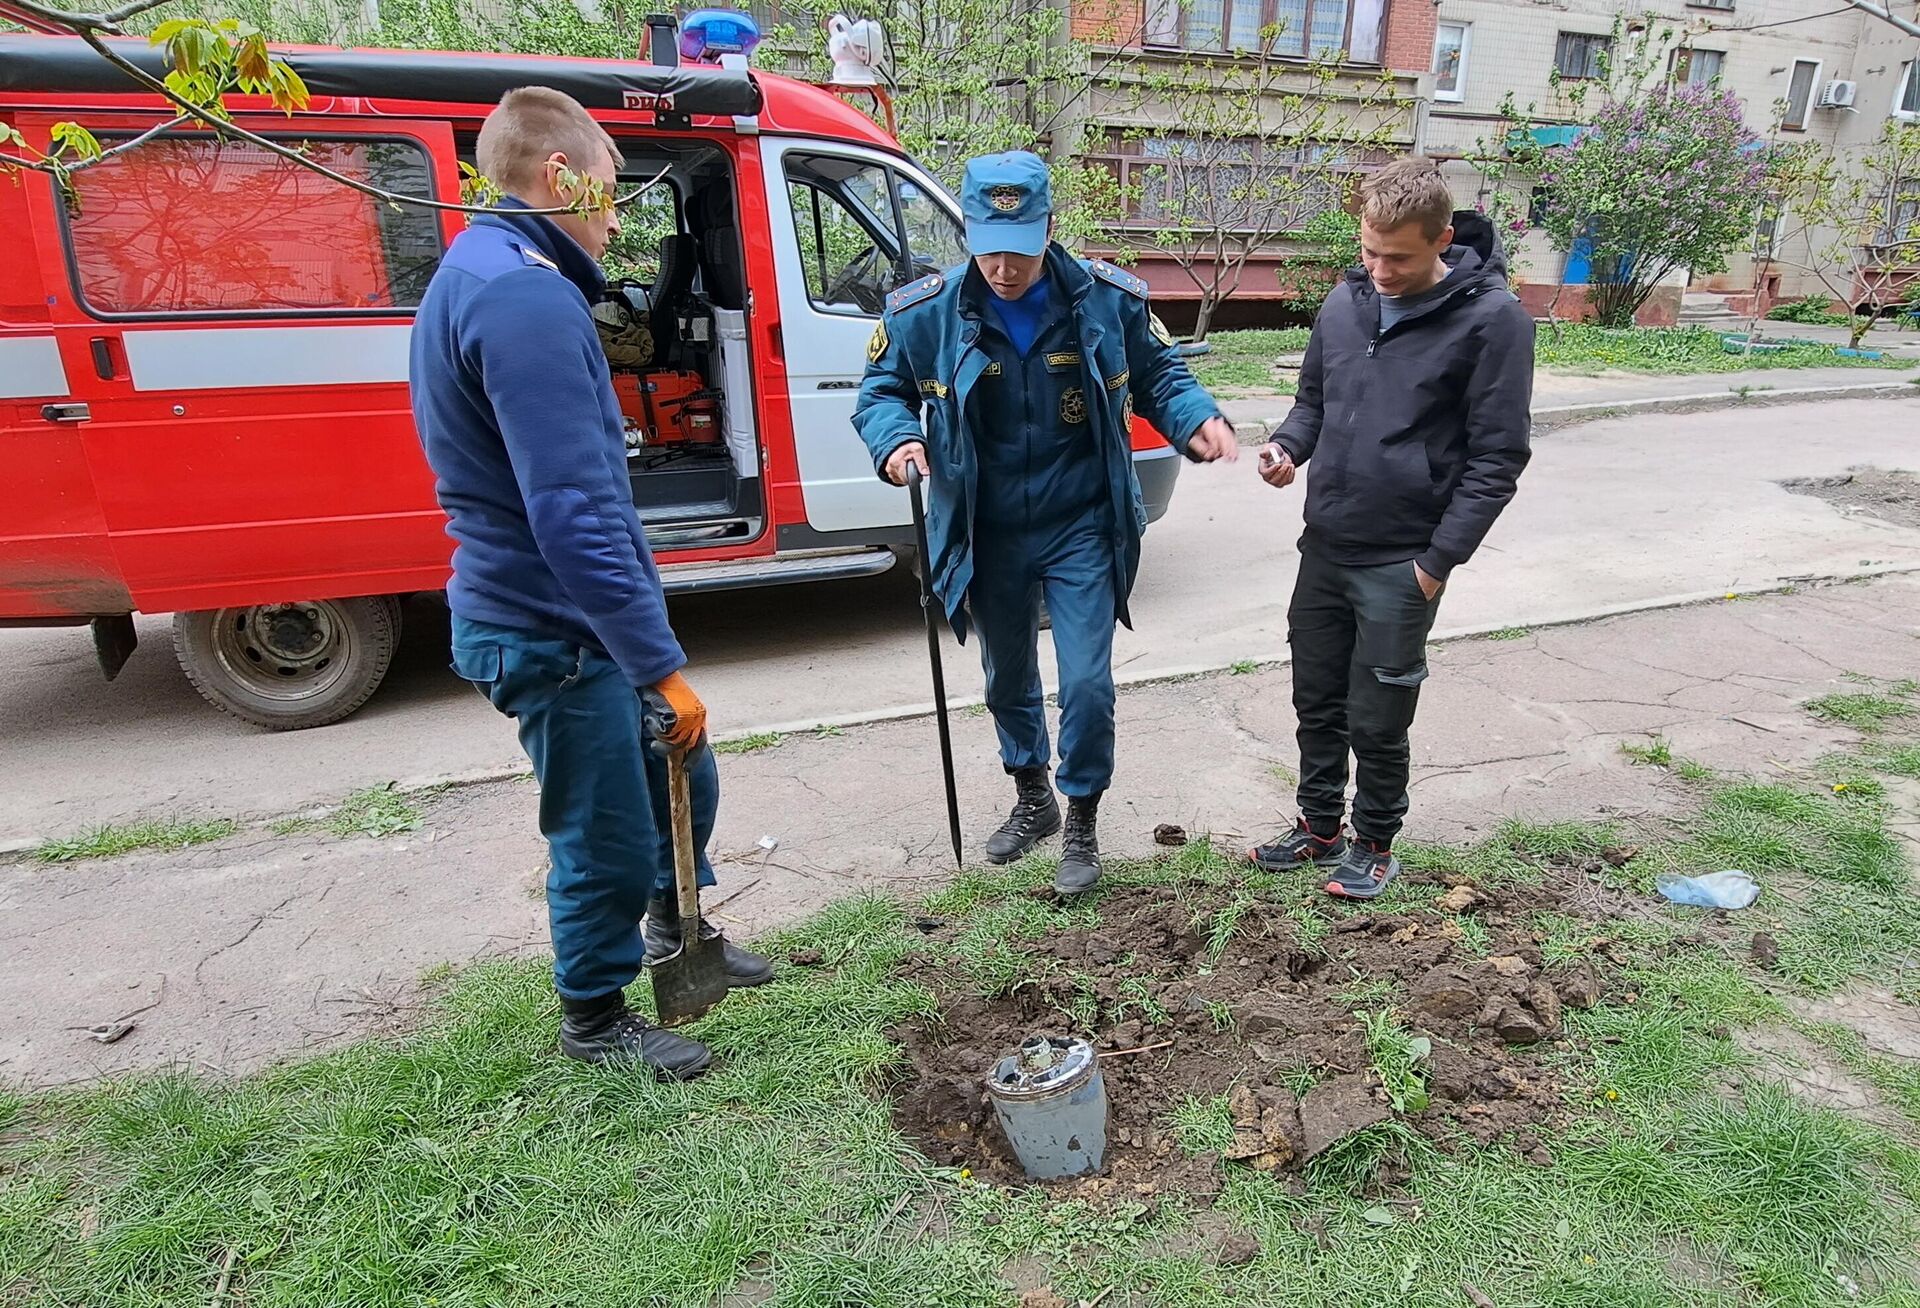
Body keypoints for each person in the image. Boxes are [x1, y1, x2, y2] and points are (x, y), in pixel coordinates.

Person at [410, 87, 772, 1079]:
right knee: (604, 828)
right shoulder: (523, 296)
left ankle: (679, 933)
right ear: (558, 178)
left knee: (682, 775)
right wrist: (656, 664)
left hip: (563, 615)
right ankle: (596, 1022)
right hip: (550, 628)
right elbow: (568, 512)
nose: (616, 219)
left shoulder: (494, 268)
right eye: (610, 194)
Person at [854, 151, 1237, 895]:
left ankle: (1084, 819)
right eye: (989, 247)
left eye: (1021, 249)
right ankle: (1034, 800)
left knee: (1089, 682)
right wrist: (896, 438)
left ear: (1050, 229)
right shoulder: (923, 312)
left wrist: (1197, 420)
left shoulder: (1105, 299)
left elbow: (1163, 375)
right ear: (968, 232)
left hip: (1079, 522)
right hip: (985, 525)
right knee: (1007, 678)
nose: (1004, 267)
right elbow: (881, 390)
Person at [1250, 156, 1534, 900]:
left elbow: (1498, 457)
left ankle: (1374, 842)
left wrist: (1437, 562)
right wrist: (1286, 448)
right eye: (1368, 251)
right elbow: (1313, 402)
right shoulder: (1346, 304)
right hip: (1326, 546)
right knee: (1317, 699)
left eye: (1398, 257)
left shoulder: (1493, 321)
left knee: (1378, 714)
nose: (1378, 269)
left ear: (1442, 239)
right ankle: (1319, 827)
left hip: (1403, 558)